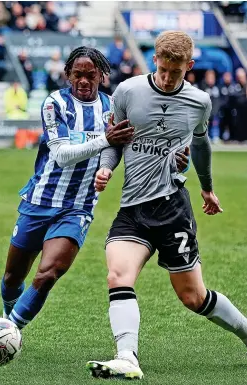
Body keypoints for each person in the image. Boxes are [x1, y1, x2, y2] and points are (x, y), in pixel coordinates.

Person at [86, 31, 247, 380]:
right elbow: (115, 141)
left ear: (189, 66)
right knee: (117, 274)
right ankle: (127, 356)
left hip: (172, 208)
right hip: (132, 208)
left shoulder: (199, 101)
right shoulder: (127, 92)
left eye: (177, 72)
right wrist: (105, 167)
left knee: (193, 298)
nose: (168, 77)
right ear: (155, 59)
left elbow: (201, 145)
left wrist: (207, 189)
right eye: (163, 69)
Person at [0, 47, 134, 337]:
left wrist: (106, 169)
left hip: (78, 206)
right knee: (12, 278)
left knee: (49, 273)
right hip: (39, 201)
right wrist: (104, 139)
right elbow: (61, 155)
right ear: (67, 75)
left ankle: (8, 334)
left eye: (90, 75)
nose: (84, 81)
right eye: (78, 75)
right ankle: (6, 316)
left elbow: (120, 146)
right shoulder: (55, 104)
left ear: (102, 76)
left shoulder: (112, 109)